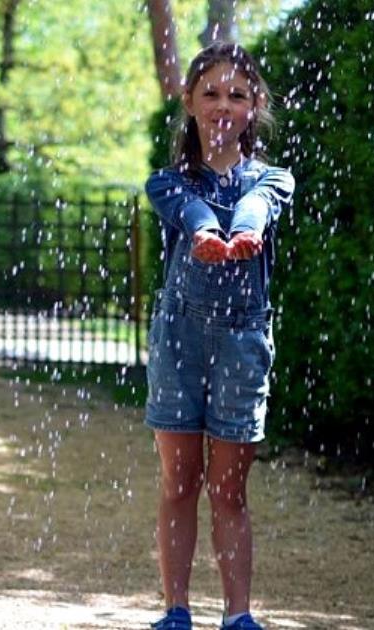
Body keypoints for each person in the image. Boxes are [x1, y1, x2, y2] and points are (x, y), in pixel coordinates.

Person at [143, 42, 295, 630]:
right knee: (180, 481)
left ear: (255, 106)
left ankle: (239, 615)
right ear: (189, 103)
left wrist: (245, 229)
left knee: (229, 491)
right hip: (179, 340)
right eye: (210, 93)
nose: (223, 104)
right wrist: (209, 230)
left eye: (237, 94)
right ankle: (176, 610)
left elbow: (259, 202)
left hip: (242, 345)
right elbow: (185, 208)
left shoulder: (274, 180)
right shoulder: (167, 182)